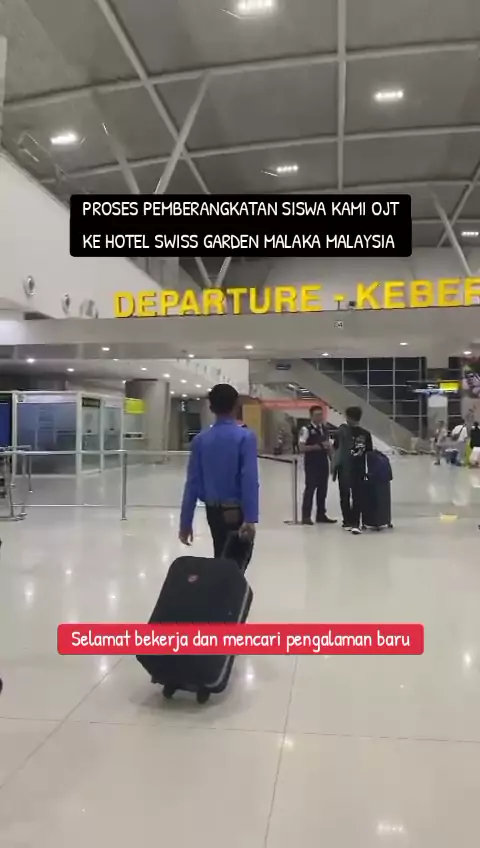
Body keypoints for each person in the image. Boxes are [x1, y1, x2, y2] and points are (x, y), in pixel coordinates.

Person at [179, 384, 259, 563]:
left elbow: (192, 483)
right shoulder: (245, 437)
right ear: (236, 405)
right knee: (234, 566)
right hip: (236, 511)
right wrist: (250, 517)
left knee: (221, 557)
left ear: (211, 408)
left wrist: (186, 522)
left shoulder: (200, 439)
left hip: (213, 511)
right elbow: (249, 478)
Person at [332, 406, 373, 535]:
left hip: (344, 468)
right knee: (357, 496)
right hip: (359, 468)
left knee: (345, 495)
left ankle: (347, 521)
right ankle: (355, 523)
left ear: (348, 417)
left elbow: (336, 449)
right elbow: (369, 452)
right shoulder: (365, 434)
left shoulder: (340, 432)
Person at [299, 405, 336, 526]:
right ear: (311, 416)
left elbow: (328, 446)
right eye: (317, 415)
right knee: (310, 489)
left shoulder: (324, 429)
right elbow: (302, 447)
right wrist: (319, 446)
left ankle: (321, 514)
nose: (320, 417)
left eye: (321, 414)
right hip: (312, 463)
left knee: (323, 489)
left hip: (323, 462)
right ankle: (306, 516)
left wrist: (333, 461)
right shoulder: (306, 429)